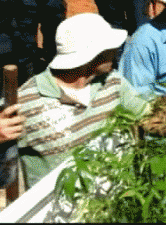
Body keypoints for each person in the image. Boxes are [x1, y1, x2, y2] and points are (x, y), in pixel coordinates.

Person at [17, 13, 149, 188]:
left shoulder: (113, 82)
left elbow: (149, 115)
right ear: (93, 55)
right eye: (111, 47)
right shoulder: (26, 102)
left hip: (117, 204)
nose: (116, 50)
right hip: (57, 212)